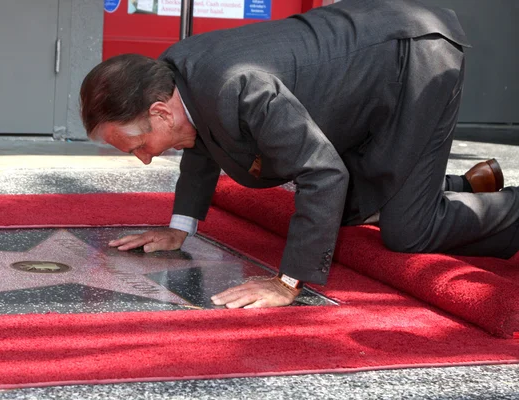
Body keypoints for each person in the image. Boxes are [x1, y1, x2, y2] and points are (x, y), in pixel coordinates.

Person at [79, 0, 519, 309]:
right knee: (348, 208)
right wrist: (181, 229)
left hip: (413, 55)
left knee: (410, 230)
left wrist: (287, 281)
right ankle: (462, 186)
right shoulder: (177, 77)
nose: (143, 160)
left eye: (138, 146)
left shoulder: (238, 86)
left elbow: (322, 173)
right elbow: (200, 138)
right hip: (367, 64)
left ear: (159, 112)